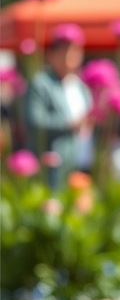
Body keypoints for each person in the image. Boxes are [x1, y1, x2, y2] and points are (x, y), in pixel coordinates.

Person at [24, 23, 93, 187]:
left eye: (75, 51)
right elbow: (34, 119)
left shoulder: (81, 86)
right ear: (51, 55)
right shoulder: (41, 83)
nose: (70, 56)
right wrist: (69, 124)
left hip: (82, 160)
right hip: (53, 163)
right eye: (64, 51)